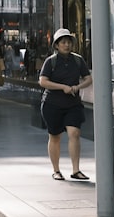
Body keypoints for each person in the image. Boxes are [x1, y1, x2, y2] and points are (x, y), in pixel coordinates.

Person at [38, 28, 92, 181]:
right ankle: (56, 170)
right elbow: (43, 81)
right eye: (63, 42)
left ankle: (76, 170)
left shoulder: (77, 60)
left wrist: (77, 87)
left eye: (68, 42)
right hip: (52, 104)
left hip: (73, 103)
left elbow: (88, 78)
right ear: (56, 45)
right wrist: (62, 87)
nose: (66, 45)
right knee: (55, 136)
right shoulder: (51, 61)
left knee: (74, 134)